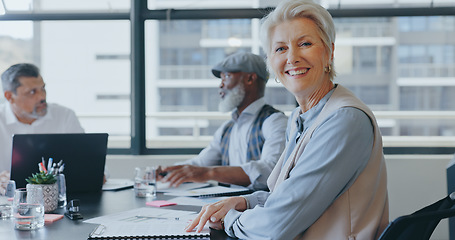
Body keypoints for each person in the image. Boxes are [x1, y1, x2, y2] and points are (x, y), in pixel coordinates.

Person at [185, 0, 389, 239]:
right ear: (271, 62)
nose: (292, 57)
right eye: (280, 49)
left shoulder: (344, 120)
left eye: (305, 44)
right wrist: (242, 201)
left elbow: (276, 226)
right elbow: (286, 195)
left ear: (329, 52)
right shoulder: (299, 118)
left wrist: (228, 219)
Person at [158, 52, 288, 191]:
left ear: (250, 79)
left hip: (260, 207)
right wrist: (166, 172)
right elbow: (200, 164)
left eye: (226, 76)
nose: (221, 85)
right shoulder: (228, 128)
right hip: (228, 206)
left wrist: (209, 173)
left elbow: (271, 169)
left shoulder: (275, 121)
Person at [0, 63, 84, 180]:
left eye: (43, 89)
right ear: (9, 96)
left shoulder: (65, 115)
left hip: (58, 194)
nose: (42, 97)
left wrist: (98, 174)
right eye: (32, 92)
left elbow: (89, 162)